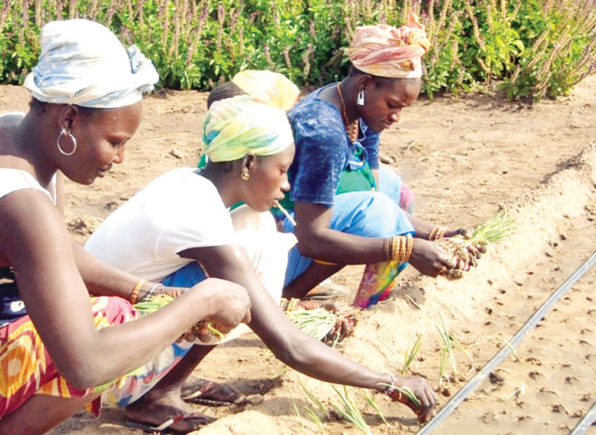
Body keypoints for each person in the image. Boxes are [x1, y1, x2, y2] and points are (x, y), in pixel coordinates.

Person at [85, 95, 439, 426]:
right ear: (249, 163)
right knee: (248, 270)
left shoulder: (188, 182)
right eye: (282, 170)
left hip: (105, 331)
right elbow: (289, 346)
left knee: (259, 230)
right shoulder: (196, 213)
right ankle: (152, 392)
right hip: (102, 363)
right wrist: (390, 383)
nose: (286, 185)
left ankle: (164, 384)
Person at [0, 19, 251, 434]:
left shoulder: (16, 134)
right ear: (69, 120)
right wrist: (200, 301)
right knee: (111, 325)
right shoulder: (23, 203)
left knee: (115, 307)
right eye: (115, 141)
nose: (119, 159)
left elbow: (52, 249)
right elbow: (85, 364)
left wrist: (146, 290)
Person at [281, 15, 482, 308]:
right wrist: (407, 248)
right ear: (365, 84)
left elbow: (376, 193)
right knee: (381, 215)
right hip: (278, 236)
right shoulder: (324, 132)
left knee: (395, 191)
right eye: (392, 105)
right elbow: (311, 238)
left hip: (311, 217)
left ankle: (370, 303)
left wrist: (437, 234)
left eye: (402, 108)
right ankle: (291, 292)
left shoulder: (360, 111)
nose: (395, 117)